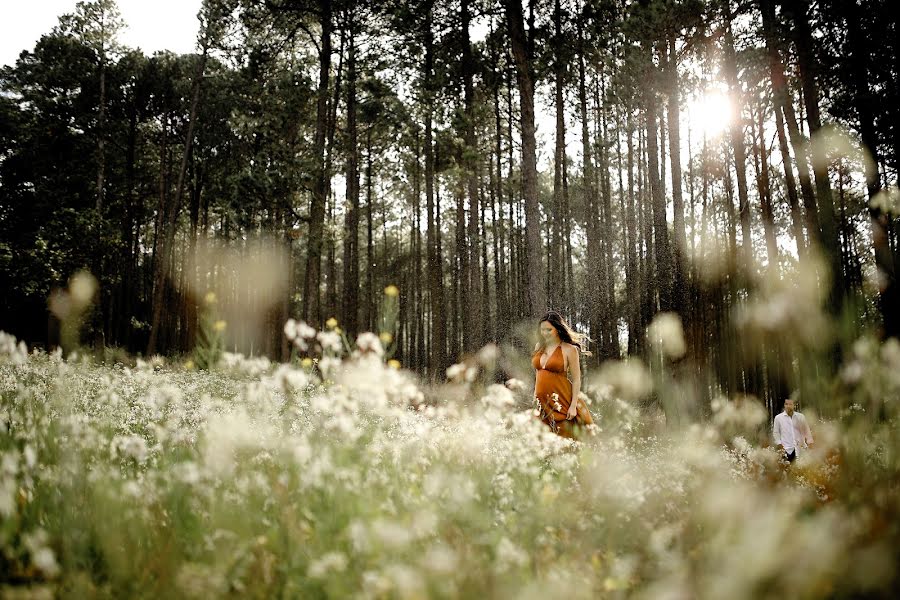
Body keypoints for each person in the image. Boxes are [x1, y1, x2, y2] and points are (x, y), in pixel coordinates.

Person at [531, 311, 594, 439]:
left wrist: (573, 406)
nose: (545, 333)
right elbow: (538, 374)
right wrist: (535, 397)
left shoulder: (569, 349)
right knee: (542, 440)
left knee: (565, 438)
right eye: (542, 330)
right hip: (541, 402)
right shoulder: (539, 347)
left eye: (549, 330)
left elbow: (576, 379)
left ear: (558, 329)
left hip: (562, 401)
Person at [773, 396, 814, 463]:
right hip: (787, 450)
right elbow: (776, 433)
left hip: (801, 449)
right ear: (784, 405)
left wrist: (810, 443)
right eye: (786, 404)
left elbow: (806, 431)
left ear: (794, 405)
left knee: (802, 471)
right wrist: (779, 444)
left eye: (790, 404)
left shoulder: (801, 417)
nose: (788, 406)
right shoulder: (778, 418)